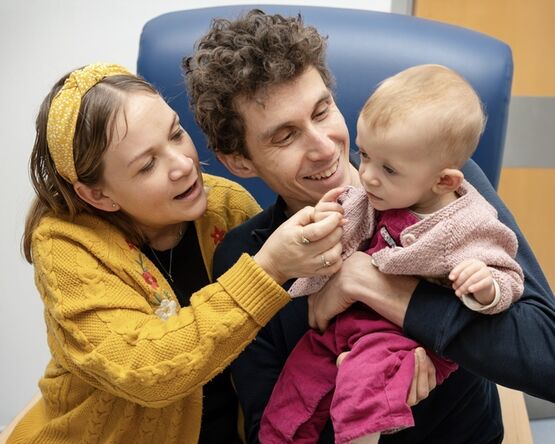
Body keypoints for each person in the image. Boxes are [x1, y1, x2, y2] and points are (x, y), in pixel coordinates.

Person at [184, 9, 554, 444]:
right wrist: (358, 400)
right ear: (239, 162)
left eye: (322, 111)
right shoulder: (249, 262)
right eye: (285, 136)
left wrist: (372, 285)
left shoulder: (440, 184)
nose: (324, 148)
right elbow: (271, 428)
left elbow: (546, 358)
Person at [8, 63, 346, 444]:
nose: (183, 165)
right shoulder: (66, 246)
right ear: (97, 195)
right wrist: (267, 270)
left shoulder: (227, 208)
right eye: (148, 164)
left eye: (176, 134)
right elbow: (146, 370)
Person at [259, 64, 524, 444]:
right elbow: (347, 231)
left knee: (364, 384)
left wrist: (487, 287)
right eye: (365, 155)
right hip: (348, 326)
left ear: (443, 181)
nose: (366, 175)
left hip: (407, 338)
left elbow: (508, 274)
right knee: (298, 379)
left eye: (388, 168)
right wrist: (328, 221)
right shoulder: (373, 196)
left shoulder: (468, 221)